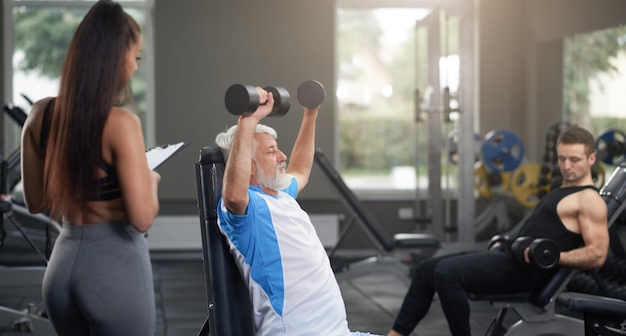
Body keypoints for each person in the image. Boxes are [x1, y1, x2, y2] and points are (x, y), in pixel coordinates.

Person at [20, 0, 160, 336]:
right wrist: (150, 179)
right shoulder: (121, 123)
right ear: (115, 58)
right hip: (113, 269)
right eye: (135, 57)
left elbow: (35, 202)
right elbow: (142, 218)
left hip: (62, 268)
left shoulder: (39, 114)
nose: (136, 67)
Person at [386, 125, 609, 336]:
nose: (567, 166)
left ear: (591, 159)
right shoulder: (564, 190)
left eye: (575, 160)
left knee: (447, 273)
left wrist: (553, 257)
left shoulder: (589, 199)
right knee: (426, 269)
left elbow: (597, 255)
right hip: (509, 258)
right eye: (562, 159)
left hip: (526, 273)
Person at [215, 87, 380, 336]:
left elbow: (301, 170)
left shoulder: (280, 194)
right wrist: (248, 120)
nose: (282, 156)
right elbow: (235, 196)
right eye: (271, 151)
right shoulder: (249, 210)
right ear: (248, 167)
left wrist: (310, 112)